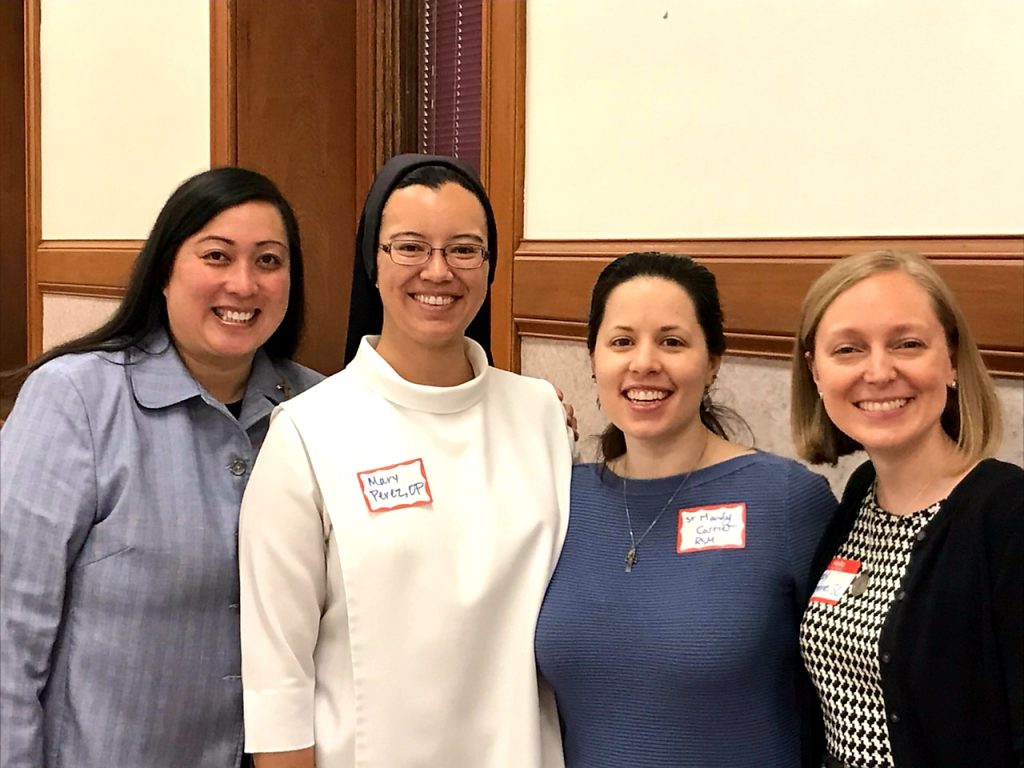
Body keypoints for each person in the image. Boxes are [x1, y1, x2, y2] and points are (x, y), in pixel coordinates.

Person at [238, 154, 572, 768]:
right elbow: (276, 675)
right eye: (410, 247)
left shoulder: (541, 413)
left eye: (465, 250)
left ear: (491, 266)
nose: (438, 272)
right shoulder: (309, 432)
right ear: (374, 261)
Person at [0, 167, 323, 768]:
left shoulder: (319, 408)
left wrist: (539, 418)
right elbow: (8, 635)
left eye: (270, 261)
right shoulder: (77, 400)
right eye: (217, 256)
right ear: (165, 272)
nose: (243, 284)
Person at [535, 251, 837, 768]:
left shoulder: (785, 501)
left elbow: (858, 692)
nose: (644, 362)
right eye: (622, 341)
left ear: (713, 360)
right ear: (593, 359)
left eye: (672, 341)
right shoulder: (561, 499)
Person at [793, 249, 1023, 768]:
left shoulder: (1007, 516)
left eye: (908, 344)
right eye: (849, 349)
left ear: (952, 359)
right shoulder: (862, 493)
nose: (879, 372)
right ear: (815, 372)